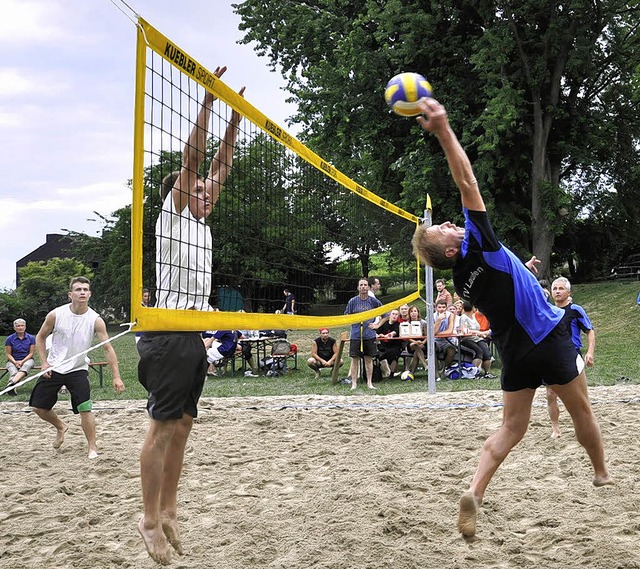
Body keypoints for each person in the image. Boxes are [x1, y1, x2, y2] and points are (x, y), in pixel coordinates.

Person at [411, 97, 612, 538]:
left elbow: (496, 287)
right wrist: (444, 128)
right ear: (450, 250)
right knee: (582, 412)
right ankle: (600, 472)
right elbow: (466, 178)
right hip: (551, 336)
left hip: (513, 353)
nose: (449, 221)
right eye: (442, 228)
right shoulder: (476, 242)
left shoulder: (464, 279)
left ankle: (475, 491)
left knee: (510, 429)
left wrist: (524, 271)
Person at [137, 68, 245, 565]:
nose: (207, 190)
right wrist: (204, 99)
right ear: (181, 192)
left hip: (194, 335)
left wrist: (235, 118)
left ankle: (171, 509)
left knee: (182, 427)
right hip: (167, 333)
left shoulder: (202, 220)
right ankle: (149, 520)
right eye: (198, 186)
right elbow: (195, 157)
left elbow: (220, 161)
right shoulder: (173, 214)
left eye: (207, 188)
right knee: (161, 429)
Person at [30, 277, 124, 457]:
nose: (82, 292)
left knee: (85, 408)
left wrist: (116, 376)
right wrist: (44, 362)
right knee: (38, 407)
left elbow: (108, 348)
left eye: (85, 289)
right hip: (55, 367)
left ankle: (92, 447)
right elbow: (40, 337)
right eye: (78, 289)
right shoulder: (56, 314)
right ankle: (61, 426)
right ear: (70, 294)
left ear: (90, 294)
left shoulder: (95, 319)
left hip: (78, 369)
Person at [546, 276, 595, 437]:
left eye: (561, 288)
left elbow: (590, 331)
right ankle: (555, 429)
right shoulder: (548, 310)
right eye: (555, 289)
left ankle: (586, 424)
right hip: (552, 357)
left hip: (572, 354)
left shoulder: (575, 310)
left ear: (569, 292)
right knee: (550, 395)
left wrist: (590, 353)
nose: (558, 291)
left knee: (579, 395)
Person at [343, 278, 382, 390]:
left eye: (365, 285)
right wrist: (354, 320)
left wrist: (377, 325)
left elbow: (385, 314)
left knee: (368, 359)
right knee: (354, 359)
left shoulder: (374, 301)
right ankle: (354, 383)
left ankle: (369, 383)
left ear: (369, 287)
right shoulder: (352, 301)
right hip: (355, 335)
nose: (363, 287)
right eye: (361, 285)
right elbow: (346, 316)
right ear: (358, 287)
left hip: (369, 334)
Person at [458, 301, 495, 378]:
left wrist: (484, 333)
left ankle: (487, 373)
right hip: (466, 340)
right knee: (478, 352)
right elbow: (465, 331)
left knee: (487, 354)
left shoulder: (474, 316)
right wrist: (479, 333)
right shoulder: (463, 317)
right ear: (473, 308)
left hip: (477, 339)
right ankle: (473, 373)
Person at [4, 318, 36, 396]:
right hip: (12, 360)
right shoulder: (9, 339)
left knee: (26, 366)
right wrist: (15, 362)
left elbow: (31, 353)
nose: (20, 327)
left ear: (25, 327)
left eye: (22, 325)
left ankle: (11, 385)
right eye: (18, 326)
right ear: (14, 328)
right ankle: (12, 388)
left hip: (27, 359)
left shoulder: (31, 338)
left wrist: (22, 361)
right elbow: (8, 354)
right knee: (14, 372)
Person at [376, 309, 402, 377]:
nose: (394, 316)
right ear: (390, 315)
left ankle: (391, 374)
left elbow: (395, 332)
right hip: (383, 345)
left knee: (394, 353)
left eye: (396, 315)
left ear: (398, 317)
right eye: (393, 314)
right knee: (380, 354)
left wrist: (390, 334)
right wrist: (380, 335)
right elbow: (377, 332)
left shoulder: (398, 325)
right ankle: (387, 371)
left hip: (394, 345)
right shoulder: (384, 323)